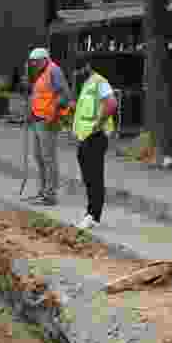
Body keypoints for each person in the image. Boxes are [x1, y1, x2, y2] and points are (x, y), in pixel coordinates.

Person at [70, 57, 118, 230]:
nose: (77, 74)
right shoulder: (88, 84)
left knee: (94, 177)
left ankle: (93, 215)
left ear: (87, 67)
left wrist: (99, 123)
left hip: (95, 136)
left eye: (79, 70)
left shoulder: (100, 82)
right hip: (85, 136)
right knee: (88, 176)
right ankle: (91, 213)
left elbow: (111, 104)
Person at [25, 47, 71, 206]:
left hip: (48, 120)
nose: (34, 65)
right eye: (33, 62)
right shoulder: (40, 72)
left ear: (45, 59)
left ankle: (50, 194)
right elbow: (39, 95)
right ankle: (43, 190)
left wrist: (54, 113)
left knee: (48, 158)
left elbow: (64, 95)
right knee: (38, 157)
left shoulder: (54, 71)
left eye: (36, 62)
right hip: (38, 119)